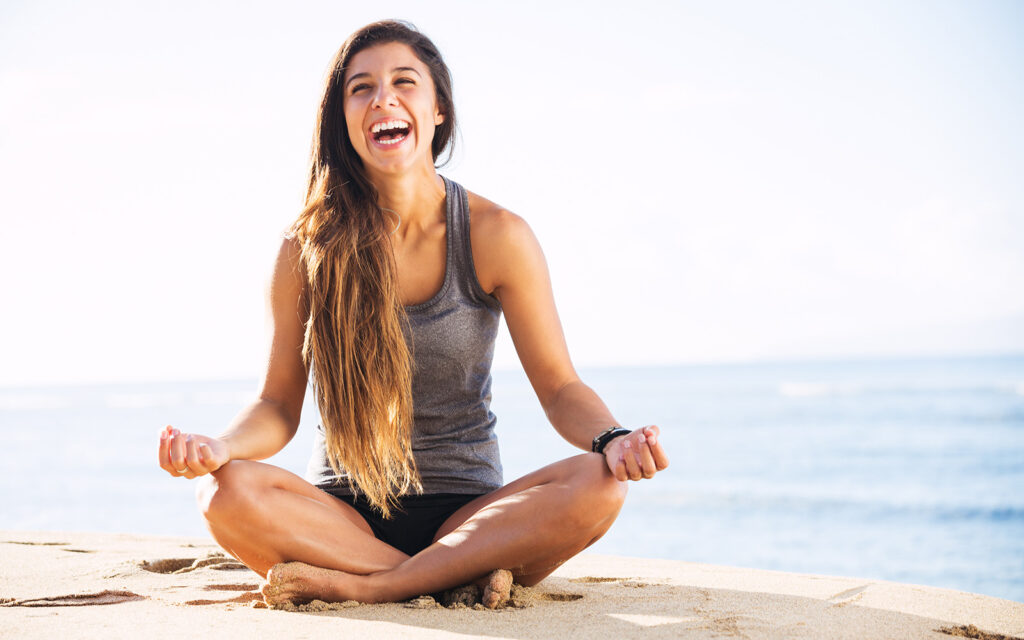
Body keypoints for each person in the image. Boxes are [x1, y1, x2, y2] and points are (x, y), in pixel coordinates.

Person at [156, 19, 669, 608]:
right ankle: (444, 578)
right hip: (341, 521)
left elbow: (559, 387)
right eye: (361, 88)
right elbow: (276, 405)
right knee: (224, 494)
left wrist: (613, 438)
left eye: (404, 82)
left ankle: (370, 587)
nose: (383, 99)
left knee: (599, 484)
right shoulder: (306, 249)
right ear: (343, 118)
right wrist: (220, 448)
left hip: (470, 515)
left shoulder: (497, 235)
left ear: (438, 109)